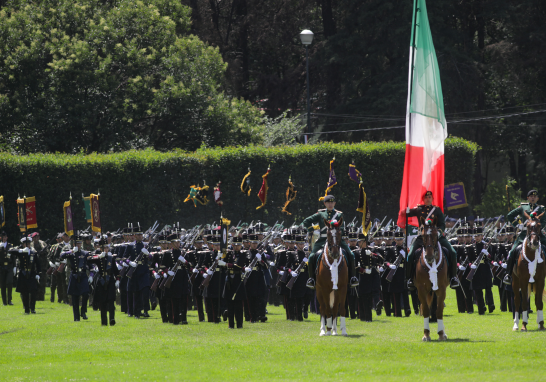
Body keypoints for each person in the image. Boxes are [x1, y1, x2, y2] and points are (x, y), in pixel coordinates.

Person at [401, 190, 460, 289]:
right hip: (422, 237)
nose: (428, 199)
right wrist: (406, 209)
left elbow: (442, 224)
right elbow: (406, 214)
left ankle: (453, 277)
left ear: (432, 199)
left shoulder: (437, 210)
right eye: (426, 198)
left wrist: (439, 232)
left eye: (430, 197)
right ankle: (409, 279)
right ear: (423, 199)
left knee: (452, 252)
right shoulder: (419, 209)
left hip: (436, 237)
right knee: (410, 254)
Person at [302, 195, 359, 289]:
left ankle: (352, 277)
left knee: (351, 254)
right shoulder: (320, 214)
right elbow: (306, 221)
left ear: (334, 203)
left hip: (336, 240)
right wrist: (312, 230)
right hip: (322, 240)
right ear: (325, 204)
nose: (330, 204)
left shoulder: (339, 214)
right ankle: (311, 279)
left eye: (332, 202)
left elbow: (342, 229)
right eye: (328, 202)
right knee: (312, 256)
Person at [503, 189, 546, 285]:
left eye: (535, 196)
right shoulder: (523, 207)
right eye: (531, 196)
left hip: (538, 234)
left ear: (537, 198)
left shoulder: (541, 209)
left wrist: (538, 227)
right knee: (512, 251)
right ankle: (508, 275)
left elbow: (544, 221)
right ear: (528, 198)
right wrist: (518, 225)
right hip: (524, 235)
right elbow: (510, 215)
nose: (533, 198)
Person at [88, 238, 119, 326]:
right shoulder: (98, 257)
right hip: (101, 280)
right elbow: (88, 259)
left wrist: (117, 280)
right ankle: (104, 322)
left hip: (110, 280)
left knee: (111, 300)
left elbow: (116, 271)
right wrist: (98, 256)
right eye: (104, 248)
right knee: (103, 302)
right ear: (101, 248)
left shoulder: (111, 258)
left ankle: (112, 319)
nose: (106, 249)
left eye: (107, 247)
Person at [61, 235, 91, 321]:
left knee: (86, 294)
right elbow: (62, 256)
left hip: (83, 275)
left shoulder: (85, 253)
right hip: (74, 275)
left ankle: (83, 311)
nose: (78, 245)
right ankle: (76, 317)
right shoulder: (71, 252)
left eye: (80, 243)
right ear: (74, 244)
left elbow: (90, 264)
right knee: (75, 297)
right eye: (77, 243)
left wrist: (91, 275)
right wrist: (70, 251)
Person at [15, 236, 41, 314]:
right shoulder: (20, 252)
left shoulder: (33, 253)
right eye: (25, 244)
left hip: (32, 274)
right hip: (23, 274)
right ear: (23, 244)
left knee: (33, 291)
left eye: (28, 244)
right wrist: (20, 250)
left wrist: (38, 274)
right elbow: (11, 251)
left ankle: (32, 308)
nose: (27, 245)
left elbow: (38, 264)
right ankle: (26, 309)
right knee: (24, 292)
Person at [30, 232, 48, 301]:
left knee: (43, 282)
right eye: (35, 237)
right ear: (33, 238)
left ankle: (41, 297)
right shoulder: (31, 245)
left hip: (43, 266)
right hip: (34, 267)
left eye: (38, 237)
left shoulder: (43, 244)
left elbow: (47, 252)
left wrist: (43, 252)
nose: (37, 238)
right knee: (35, 283)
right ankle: (35, 297)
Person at [0, 231, 15, 306]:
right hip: (1, 266)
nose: (4, 238)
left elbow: (13, 257)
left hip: (9, 266)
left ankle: (9, 299)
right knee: (2, 284)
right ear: (1, 238)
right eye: (3, 237)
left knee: (9, 282)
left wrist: (15, 267)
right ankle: (4, 301)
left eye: (5, 237)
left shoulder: (10, 246)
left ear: (7, 237)